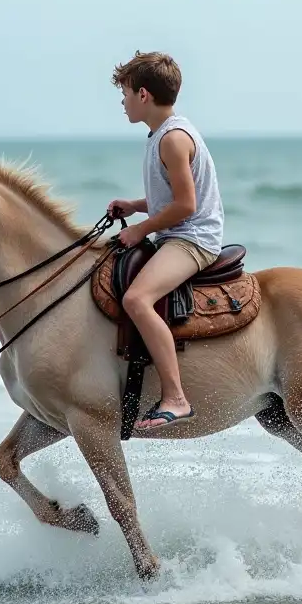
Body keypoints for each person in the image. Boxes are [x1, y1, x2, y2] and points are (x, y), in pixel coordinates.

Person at [109, 51, 225, 431]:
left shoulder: (173, 139)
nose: (122, 102)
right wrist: (136, 205)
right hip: (177, 232)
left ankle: (176, 398)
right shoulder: (161, 133)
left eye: (125, 93)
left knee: (136, 299)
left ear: (143, 94)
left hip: (193, 239)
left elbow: (187, 205)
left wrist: (141, 228)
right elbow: (170, 196)